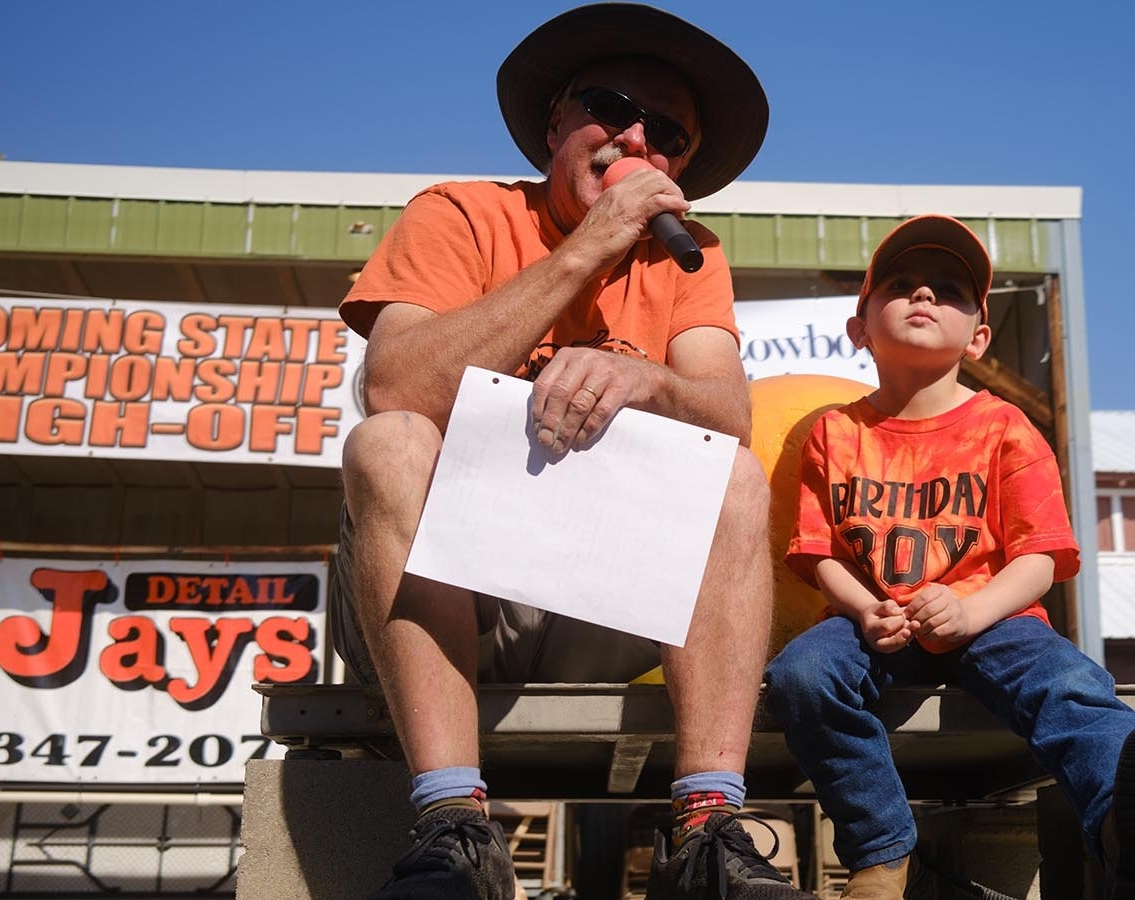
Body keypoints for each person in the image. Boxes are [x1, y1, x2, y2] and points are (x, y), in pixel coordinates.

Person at [332, 6, 813, 900]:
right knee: (388, 444)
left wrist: (652, 384)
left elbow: (729, 412)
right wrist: (588, 247)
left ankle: (711, 832)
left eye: (665, 132)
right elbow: (394, 385)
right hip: (444, 592)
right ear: (557, 121)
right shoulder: (458, 213)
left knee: (732, 476)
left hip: (593, 600)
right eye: (613, 106)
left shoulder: (691, 257)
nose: (635, 136)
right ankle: (452, 827)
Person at [762, 215, 1135, 900]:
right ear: (859, 327)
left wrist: (972, 611)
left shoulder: (1004, 425)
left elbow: (1041, 557)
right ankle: (881, 855)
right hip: (874, 625)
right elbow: (816, 551)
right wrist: (864, 609)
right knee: (800, 677)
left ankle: (1130, 838)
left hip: (995, 618)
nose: (923, 296)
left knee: (1070, 685)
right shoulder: (833, 431)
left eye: (947, 290)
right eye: (900, 284)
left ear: (978, 336)